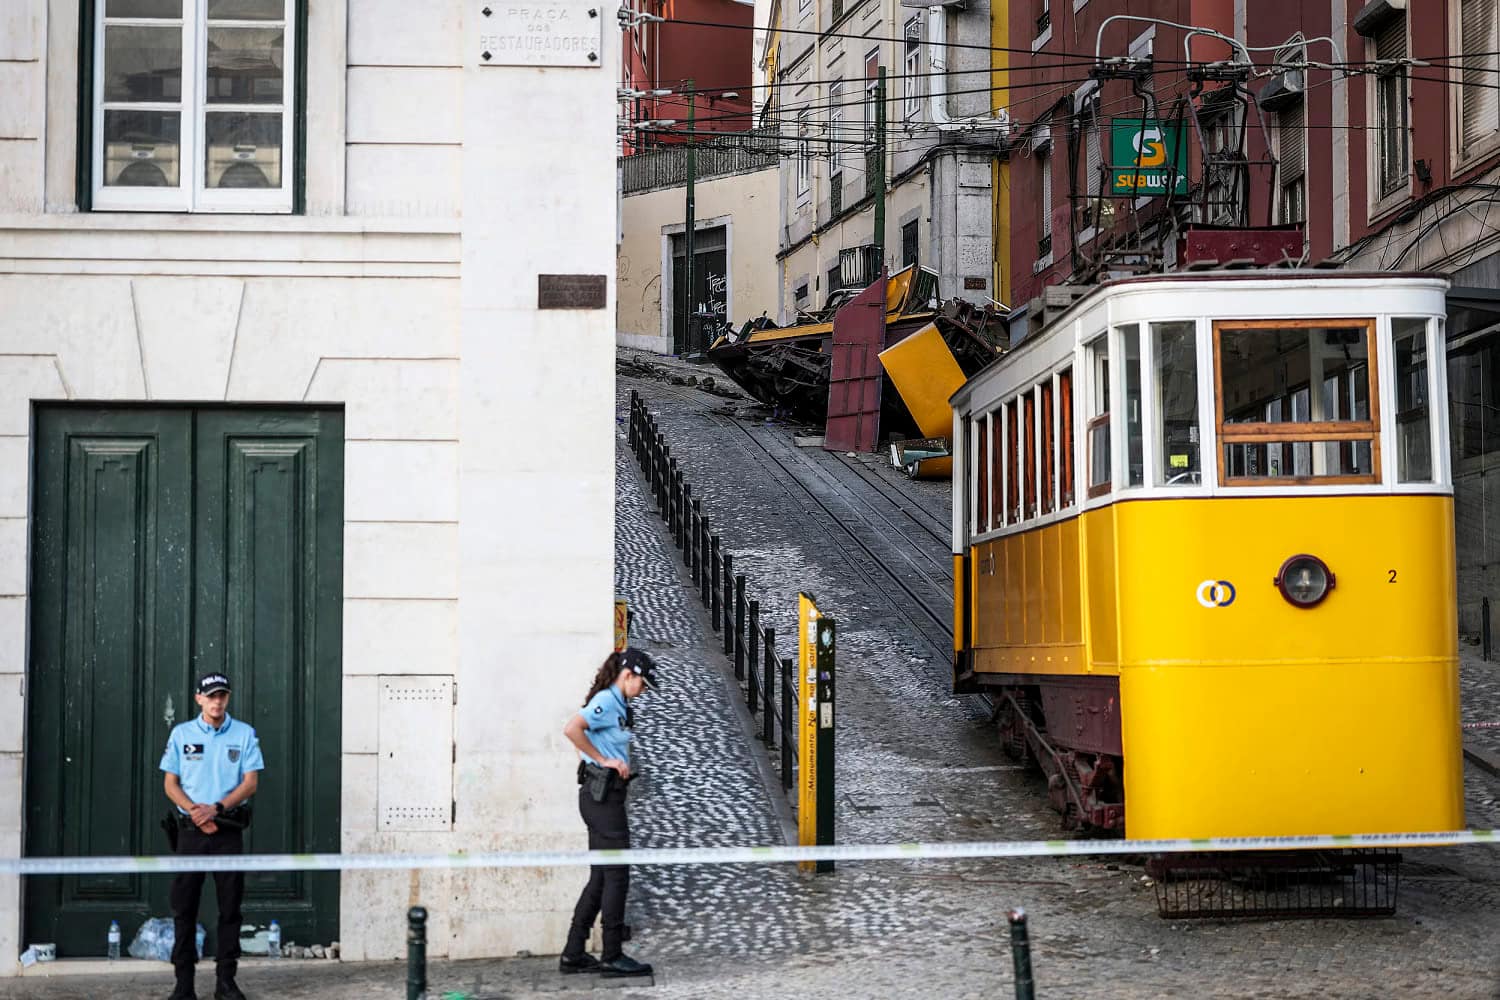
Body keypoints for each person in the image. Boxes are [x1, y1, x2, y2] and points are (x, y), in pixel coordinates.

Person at [160, 673, 264, 1000]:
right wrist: (196, 812)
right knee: (184, 909)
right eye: (210, 696)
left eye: (222, 695)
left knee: (230, 908)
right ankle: (183, 984)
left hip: (226, 831)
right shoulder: (181, 734)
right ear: (199, 699)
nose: (217, 702)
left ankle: (226, 982)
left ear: (228, 698)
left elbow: (250, 783)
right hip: (191, 833)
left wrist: (216, 809)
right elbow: (170, 784)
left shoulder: (244, 733)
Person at [558, 649, 658, 978]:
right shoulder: (606, 701)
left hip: (603, 797)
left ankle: (574, 953)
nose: (643, 691)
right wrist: (601, 761)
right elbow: (572, 729)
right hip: (602, 800)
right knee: (617, 874)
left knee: (601, 876)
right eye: (642, 684)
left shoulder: (618, 703)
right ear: (628, 675)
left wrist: (598, 758)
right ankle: (612, 954)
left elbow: (584, 736)